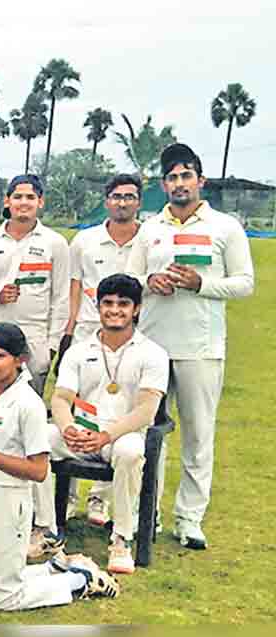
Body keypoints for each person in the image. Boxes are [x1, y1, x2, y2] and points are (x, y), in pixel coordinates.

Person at [125, 142, 255, 550]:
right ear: (163, 184)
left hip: (201, 347)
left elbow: (245, 283)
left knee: (199, 435)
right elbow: (128, 282)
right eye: (172, 177)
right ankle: (149, 513)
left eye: (186, 176)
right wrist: (151, 284)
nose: (179, 184)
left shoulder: (225, 227)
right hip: (152, 345)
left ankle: (189, 519)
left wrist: (201, 284)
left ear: (201, 180)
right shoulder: (151, 228)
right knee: (150, 436)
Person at [0, 323, 119, 611]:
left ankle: (80, 580)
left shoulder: (28, 404)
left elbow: (39, 471)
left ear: (19, 360)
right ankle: (53, 568)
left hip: (6, 496)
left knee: (4, 599)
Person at [44, 274, 169, 574]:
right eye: (108, 303)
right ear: (98, 307)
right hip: (81, 432)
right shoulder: (78, 350)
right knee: (40, 439)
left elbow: (147, 410)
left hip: (122, 434)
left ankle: (122, 538)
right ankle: (46, 529)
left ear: (136, 309)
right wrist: (68, 428)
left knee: (129, 452)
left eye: (123, 304)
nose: (115, 310)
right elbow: (61, 399)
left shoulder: (153, 353)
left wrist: (105, 436)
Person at [58, 173, 144, 526]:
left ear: (138, 201)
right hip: (87, 337)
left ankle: (99, 501)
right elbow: (74, 287)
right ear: (106, 200)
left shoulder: (149, 240)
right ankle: (69, 495)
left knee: (117, 412)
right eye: (116, 196)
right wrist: (70, 329)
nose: (122, 202)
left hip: (129, 339)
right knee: (80, 413)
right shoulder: (86, 240)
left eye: (129, 196)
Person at [0, 174, 69, 396]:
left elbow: (61, 298)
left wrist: (52, 345)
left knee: (30, 406)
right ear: (7, 201)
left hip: (35, 336)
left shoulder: (55, 243)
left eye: (30, 197)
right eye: (18, 196)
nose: (23, 202)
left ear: (40, 202)